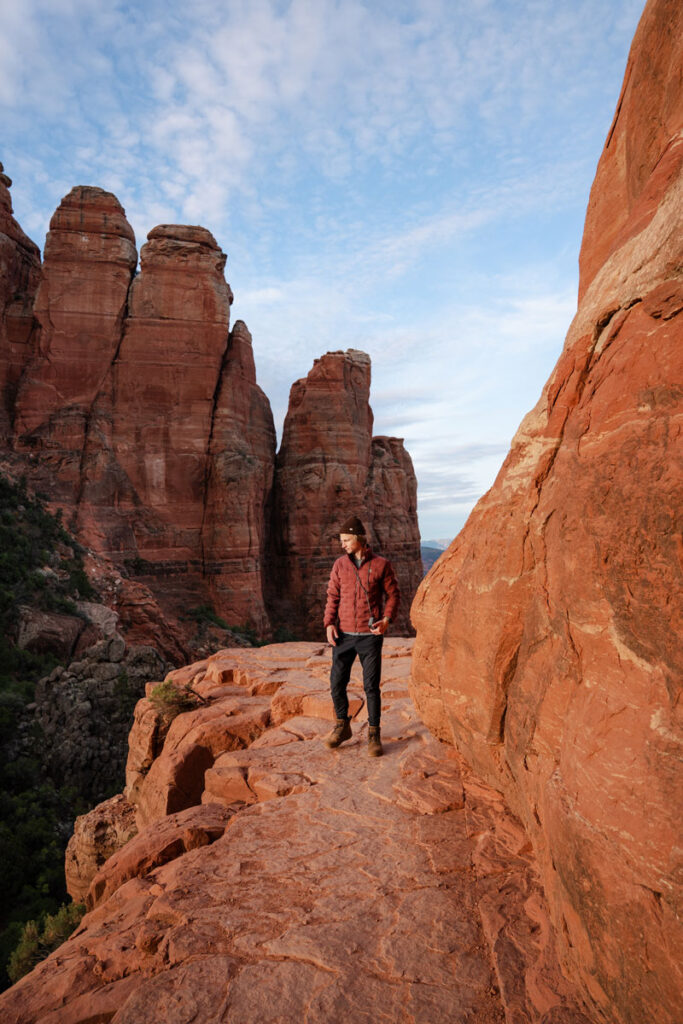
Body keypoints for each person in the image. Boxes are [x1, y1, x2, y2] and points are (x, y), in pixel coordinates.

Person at [323, 515, 400, 757]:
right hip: (343, 635)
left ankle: (374, 734)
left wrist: (386, 620)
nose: (342, 544)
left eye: (346, 540)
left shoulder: (381, 564)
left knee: (371, 687)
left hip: (370, 636)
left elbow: (393, 595)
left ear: (358, 539)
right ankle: (342, 725)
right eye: (341, 540)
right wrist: (329, 624)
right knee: (336, 683)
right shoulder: (339, 565)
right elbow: (333, 596)